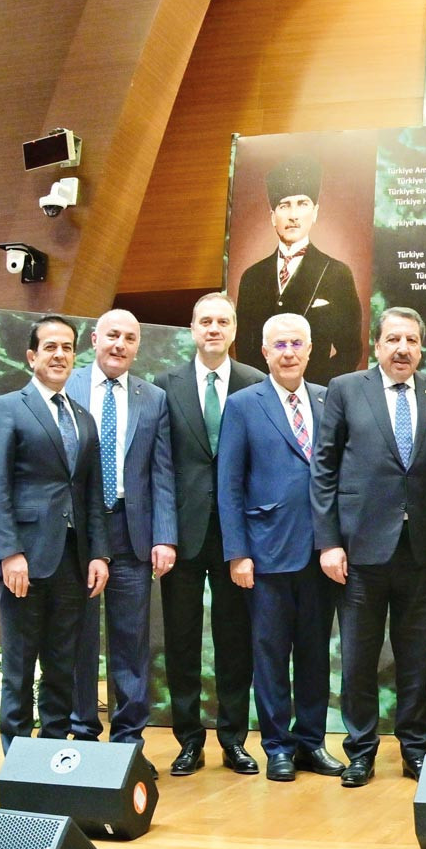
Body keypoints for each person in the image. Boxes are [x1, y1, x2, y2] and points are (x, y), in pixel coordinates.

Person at [313, 307, 426, 786]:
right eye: (393, 339)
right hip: (359, 551)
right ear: (376, 346)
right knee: (359, 658)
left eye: (412, 340)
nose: (403, 349)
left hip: (421, 552)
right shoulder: (345, 389)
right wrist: (329, 543)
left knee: (416, 658)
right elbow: (324, 470)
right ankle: (360, 751)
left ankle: (415, 749)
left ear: (422, 347)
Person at [217, 314, 345, 781]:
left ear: (310, 350)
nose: (289, 352)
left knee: (314, 653)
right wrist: (238, 553)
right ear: (264, 351)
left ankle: (311, 742)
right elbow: (229, 483)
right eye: (279, 345)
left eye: (296, 343)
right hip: (265, 553)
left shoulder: (330, 400)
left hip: (321, 552)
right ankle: (277, 747)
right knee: (270, 655)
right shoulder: (243, 404)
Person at [0, 318, 109, 750]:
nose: (60, 355)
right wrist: (10, 552)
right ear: (31, 356)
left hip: (73, 559)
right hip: (24, 559)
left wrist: (99, 554)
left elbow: (92, 492)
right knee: (20, 663)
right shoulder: (8, 407)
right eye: (51, 347)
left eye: (68, 347)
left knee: (62, 663)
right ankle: (16, 757)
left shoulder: (83, 418)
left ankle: (52, 754)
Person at [153, 292, 264, 777]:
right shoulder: (164, 385)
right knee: (181, 641)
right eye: (205, 321)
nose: (214, 329)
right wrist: (162, 532)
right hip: (182, 533)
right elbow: (158, 465)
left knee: (235, 641)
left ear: (234, 330)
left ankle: (234, 740)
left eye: (222, 321)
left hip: (238, 536)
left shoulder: (254, 383)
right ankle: (188, 740)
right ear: (192, 330)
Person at [66, 309, 177, 748]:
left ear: (137, 346)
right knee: (79, 638)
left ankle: (129, 742)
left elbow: (162, 473)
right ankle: (82, 736)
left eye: (130, 338)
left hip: (132, 532)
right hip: (78, 535)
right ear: (95, 338)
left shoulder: (154, 398)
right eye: (113, 335)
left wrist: (164, 536)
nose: (120, 344)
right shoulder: (67, 386)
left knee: (131, 642)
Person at [234, 155, 362, 385]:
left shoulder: (337, 273)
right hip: (263, 394)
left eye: (302, 204)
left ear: (315, 212)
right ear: (273, 217)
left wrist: (314, 390)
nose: (293, 215)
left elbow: (350, 351)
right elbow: (244, 348)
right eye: (284, 205)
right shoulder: (252, 277)